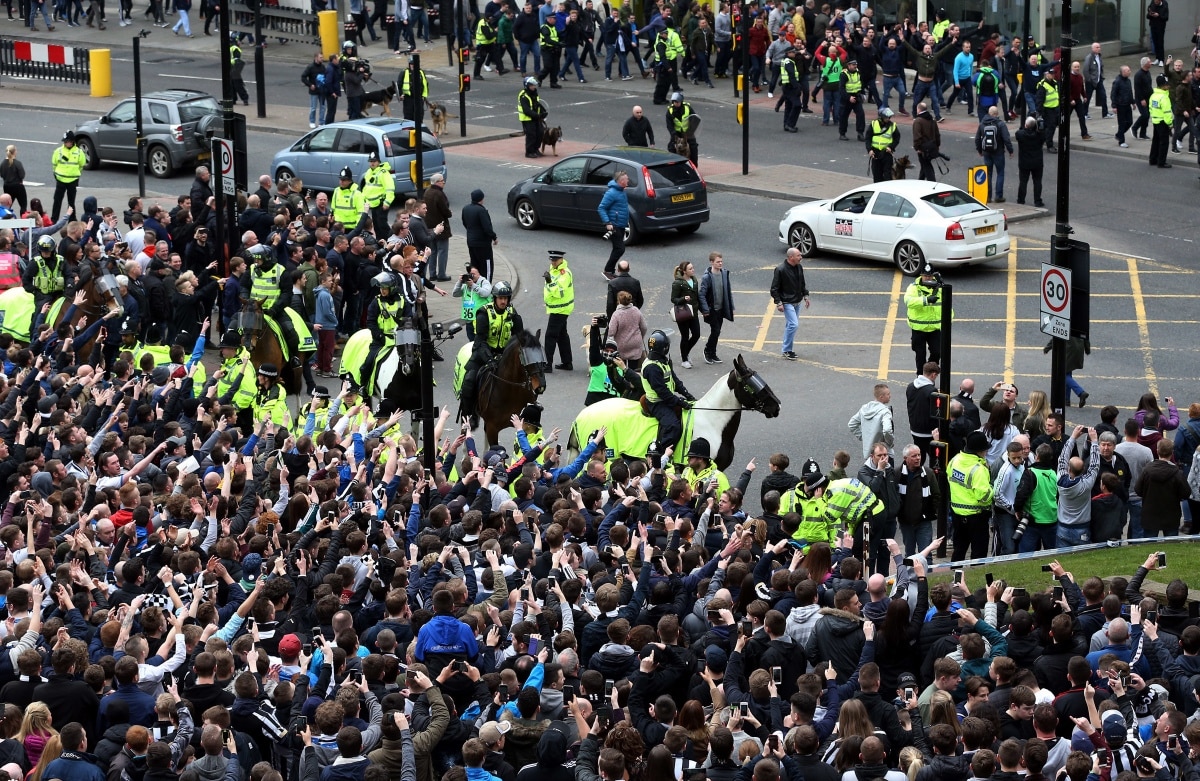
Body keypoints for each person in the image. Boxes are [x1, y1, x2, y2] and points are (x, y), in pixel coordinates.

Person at [460, 280, 524, 419]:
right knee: (469, 381)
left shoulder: (513, 314)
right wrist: (489, 359)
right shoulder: (484, 313)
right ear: (495, 298)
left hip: (504, 355)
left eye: (506, 298)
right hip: (485, 353)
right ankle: (468, 415)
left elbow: (519, 338)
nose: (503, 301)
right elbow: (480, 341)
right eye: (501, 298)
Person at [642, 330, 695, 455]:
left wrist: (687, 395)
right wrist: (680, 402)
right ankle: (660, 456)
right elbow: (663, 392)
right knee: (673, 426)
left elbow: (674, 380)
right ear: (664, 348)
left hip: (667, 399)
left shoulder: (663, 360)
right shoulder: (652, 368)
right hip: (657, 403)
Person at [948, 430, 994, 561]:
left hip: (957, 515)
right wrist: (992, 487)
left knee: (959, 551)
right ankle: (976, 579)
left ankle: (956, 579)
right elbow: (984, 497)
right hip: (977, 517)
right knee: (979, 554)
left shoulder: (954, 460)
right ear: (980, 451)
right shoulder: (979, 469)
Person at [903, 265, 947, 374]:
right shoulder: (913, 288)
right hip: (919, 328)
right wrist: (926, 300)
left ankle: (930, 372)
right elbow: (908, 302)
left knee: (937, 353)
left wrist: (948, 321)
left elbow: (947, 307)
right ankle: (920, 376)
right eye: (925, 275)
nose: (927, 278)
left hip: (934, 328)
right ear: (921, 275)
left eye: (930, 276)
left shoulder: (940, 289)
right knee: (920, 355)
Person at [769, 247, 810, 361]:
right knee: (793, 324)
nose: (801, 257)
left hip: (797, 301)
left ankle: (788, 349)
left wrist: (805, 296)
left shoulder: (799, 267)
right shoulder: (780, 270)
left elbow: (802, 283)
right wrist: (779, 303)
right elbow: (774, 288)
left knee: (790, 325)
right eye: (798, 256)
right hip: (787, 302)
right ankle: (786, 350)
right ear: (791, 257)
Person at [698, 251, 733, 366]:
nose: (720, 263)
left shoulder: (724, 273)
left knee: (717, 332)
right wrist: (705, 309)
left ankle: (713, 353)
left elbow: (728, 291)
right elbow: (701, 294)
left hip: (721, 309)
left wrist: (731, 306)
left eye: (721, 261)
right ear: (711, 262)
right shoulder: (707, 277)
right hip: (712, 309)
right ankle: (707, 351)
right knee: (716, 330)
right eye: (718, 262)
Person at [542, 249, 574, 371]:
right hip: (559, 307)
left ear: (561, 259)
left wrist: (549, 282)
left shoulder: (565, 273)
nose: (553, 262)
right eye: (552, 260)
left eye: (555, 260)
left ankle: (547, 364)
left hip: (560, 309)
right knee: (562, 335)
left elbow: (558, 291)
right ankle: (567, 362)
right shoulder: (554, 269)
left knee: (550, 335)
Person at [975, 105, 1014, 203]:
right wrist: (1010, 150)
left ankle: (988, 196)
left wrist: (980, 150)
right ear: (996, 114)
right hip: (998, 152)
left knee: (988, 174)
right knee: (1000, 173)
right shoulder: (1000, 124)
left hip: (986, 152)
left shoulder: (982, 124)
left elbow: (977, 139)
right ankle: (998, 196)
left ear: (989, 113)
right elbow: (1006, 139)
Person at [597, 170, 630, 278]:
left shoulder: (621, 190)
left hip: (620, 224)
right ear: (621, 181)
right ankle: (608, 271)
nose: (628, 180)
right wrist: (607, 222)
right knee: (620, 248)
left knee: (617, 248)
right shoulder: (611, 193)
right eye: (626, 179)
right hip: (614, 225)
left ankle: (610, 271)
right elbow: (601, 208)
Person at [462, 189, 499, 283]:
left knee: (474, 264)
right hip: (482, 244)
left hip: (471, 242)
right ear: (481, 199)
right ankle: (486, 286)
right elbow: (487, 228)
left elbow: (465, 223)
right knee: (487, 266)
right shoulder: (481, 210)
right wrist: (494, 237)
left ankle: (474, 283)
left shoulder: (466, 209)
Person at [670, 260, 700, 368]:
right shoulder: (678, 283)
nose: (693, 270)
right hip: (683, 313)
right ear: (684, 271)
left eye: (693, 268)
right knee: (685, 336)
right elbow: (673, 299)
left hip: (693, 312)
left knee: (696, 334)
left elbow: (697, 296)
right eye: (690, 269)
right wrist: (683, 299)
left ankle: (686, 352)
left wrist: (703, 310)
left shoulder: (694, 280)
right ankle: (684, 360)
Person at [50, 131, 85, 223]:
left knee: (71, 201)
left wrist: (76, 174)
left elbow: (81, 164)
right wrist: (57, 175)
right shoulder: (58, 151)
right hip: (60, 179)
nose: (66, 143)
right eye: (65, 141)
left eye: (68, 141)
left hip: (72, 180)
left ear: (72, 141)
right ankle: (54, 219)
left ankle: (72, 219)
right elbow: (54, 164)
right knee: (57, 200)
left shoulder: (79, 152)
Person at [423, 173, 452, 281]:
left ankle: (432, 274)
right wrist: (449, 213)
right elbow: (445, 210)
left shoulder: (427, 192)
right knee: (442, 251)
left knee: (433, 251)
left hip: (429, 226)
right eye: (441, 180)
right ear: (436, 182)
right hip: (440, 226)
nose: (443, 182)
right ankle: (441, 274)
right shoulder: (439, 194)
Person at [452, 263, 492, 341]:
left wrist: (473, 285)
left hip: (480, 320)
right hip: (469, 320)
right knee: (471, 342)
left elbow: (486, 293)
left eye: (473, 274)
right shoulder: (466, 285)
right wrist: (459, 282)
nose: (471, 276)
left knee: (481, 341)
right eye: (470, 274)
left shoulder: (484, 282)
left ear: (479, 274)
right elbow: (455, 294)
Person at [361, 151, 395, 238]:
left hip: (381, 203)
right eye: (371, 161)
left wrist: (387, 202)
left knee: (382, 225)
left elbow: (390, 188)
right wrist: (363, 200)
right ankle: (380, 242)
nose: (372, 163)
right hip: (373, 204)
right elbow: (367, 188)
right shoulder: (369, 172)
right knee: (376, 225)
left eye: (374, 161)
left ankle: (391, 240)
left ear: (378, 162)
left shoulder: (383, 173)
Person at [1015, 116, 1045, 207]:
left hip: (1024, 162)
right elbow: (1044, 134)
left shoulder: (1021, 134)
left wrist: (1024, 127)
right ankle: (1037, 201)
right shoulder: (1039, 135)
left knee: (1023, 181)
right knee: (1037, 181)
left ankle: (1021, 200)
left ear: (1026, 125)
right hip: (1037, 162)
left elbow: (1018, 133)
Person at [865, 106, 900, 182]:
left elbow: (897, 138)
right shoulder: (873, 124)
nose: (888, 119)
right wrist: (869, 150)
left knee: (888, 176)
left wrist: (891, 147)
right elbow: (868, 138)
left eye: (889, 117)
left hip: (887, 153)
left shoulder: (892, 126)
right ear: (881, 117)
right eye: (887, 117)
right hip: (875, 153)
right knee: (877, 176)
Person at [665, 92, 699, 164]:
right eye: (674, 102)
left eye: (677, 102)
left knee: (693, 147)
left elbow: (695, 119)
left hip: (687, 131)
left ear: (681, 101)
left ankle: (694, 165)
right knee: (671, 147)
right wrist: (673, 133)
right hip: (677, 132)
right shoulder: (670, 111)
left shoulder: (687, 108)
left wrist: (691, 130)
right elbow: (669, 124)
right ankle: (674, 164)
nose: (676, 103)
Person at [519, 77, 549, 159]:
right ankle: (529, 152)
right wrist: (537, 115)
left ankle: (536, 149)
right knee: (531, 135)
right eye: (532, 85)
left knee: (540, 132)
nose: (534, 87)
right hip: (527, 118)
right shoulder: (524, 96)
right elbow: (526, 110)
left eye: (534, 85)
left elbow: (537, 103)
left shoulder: (534, 93)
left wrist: (543, 111)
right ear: (527, 86)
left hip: (535, 117)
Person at [1148, 74, 1174, 168]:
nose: (1169, 86)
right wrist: (1170, 124)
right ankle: (1161, 162)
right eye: (1167, 84)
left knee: (1155, 141)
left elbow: (1150, 108)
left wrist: (1154, 117)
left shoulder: (1154, 95)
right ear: (1163, 86)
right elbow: (1167, 112)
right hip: (1163, 122)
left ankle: (1153, 159)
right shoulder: (1164, 97)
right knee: (1164, 142)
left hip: (1155, 121)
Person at [912, 102, 941, 181]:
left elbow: (917, 136)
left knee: (927, 166)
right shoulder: (932, 119)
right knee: (924, 165)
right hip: (932, 147)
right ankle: (920, 181)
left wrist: (917, 148)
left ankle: (932, 182)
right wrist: (937, 146)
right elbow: (937, 134)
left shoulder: (918, 121)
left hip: (923, 148)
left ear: (918, 109)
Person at [838, 59, 866, 142]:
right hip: (847, 98)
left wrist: (863, 93)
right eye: (853, 65)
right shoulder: (844, 74)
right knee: (844, 116)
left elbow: (861, 83)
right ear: (848, 65)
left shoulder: (858, 72)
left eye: (856, 64)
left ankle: (860, 133)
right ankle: (842, 134)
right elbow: (841, 88)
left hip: (856, 97)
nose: (855, 66)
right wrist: (848, 97)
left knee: (861, 115)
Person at [1036, 69, 1061, 152]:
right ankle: (1049, 146)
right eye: (1051, 74)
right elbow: (1039, 99)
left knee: (1048, 128)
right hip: (1047, 109)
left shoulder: (1055, 83)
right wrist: (1039, 112)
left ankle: (1042, 142)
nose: (1052, 75)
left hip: (1055, 108)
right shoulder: (1042, 85)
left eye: (1053, 73)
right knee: (1051, 127)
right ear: (1046, 74)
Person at [779, 45, 802, 132]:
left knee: (788, 106)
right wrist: (797, 87)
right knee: (797, 105)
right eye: (793, 52)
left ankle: (786, 124)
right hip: (790, 87)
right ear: (789, 53)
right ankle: (790, 124)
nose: (795, 53)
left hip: (786, 86)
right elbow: (791, 75)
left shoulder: (784, 60)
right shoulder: (789, 62)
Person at [1112, 65, 1135, 147]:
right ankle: (1121, 141)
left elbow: (1130, 92)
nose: (1130, 72)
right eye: (1128, 70)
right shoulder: (1117, 82)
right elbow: (1113, 94)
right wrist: (1114, 106)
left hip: (1127, 105)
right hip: (1120, 105)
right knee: (1121, 124)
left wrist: (1133, 102)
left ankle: (1119, 134)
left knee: (1129, 122)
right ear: (1123, 72)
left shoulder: (1128, 81)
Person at [537, 13, 562, 88]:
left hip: (554, 49)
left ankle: (553, 82)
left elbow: (557, 36)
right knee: (548, 66)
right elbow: (548, 40)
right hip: (546, 49)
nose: (555, 20)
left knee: (555, 67)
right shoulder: (545, 28)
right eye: (554, 18)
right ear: (549, 19)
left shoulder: (553, 27)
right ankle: (539, 78)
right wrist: (558, 43)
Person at [0, 145, 27, 215]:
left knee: (7, 205)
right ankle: (24, 222)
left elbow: (2, 175)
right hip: (18, 186)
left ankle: (5, 220)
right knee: (23, 206)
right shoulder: (17, 163)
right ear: (14, 152)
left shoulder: (2, 163)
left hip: (7, 186)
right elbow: (22, 175)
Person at [1146, 0, 1168, 66]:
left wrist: (1158, 15)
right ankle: (1157, 58)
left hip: (1160, 27)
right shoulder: (1152, 3)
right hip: (1153, 25)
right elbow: (1147, 16)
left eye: (1156, 2)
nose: (1155, 3)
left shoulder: (1164, 4)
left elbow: (1166, 17)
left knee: (1160, 43)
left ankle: (1161, 59)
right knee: (1155, 42)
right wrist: (1150, 14)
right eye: (1154, 1)